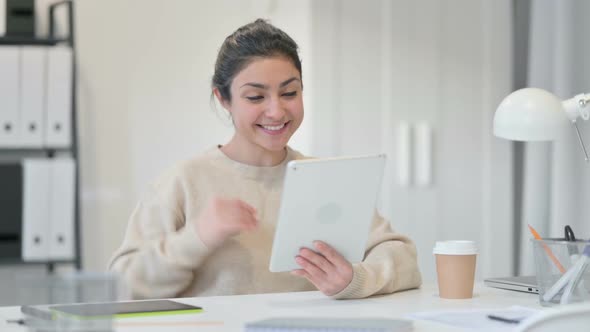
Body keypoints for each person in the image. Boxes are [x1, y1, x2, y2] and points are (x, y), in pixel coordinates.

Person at [109, 19, 422, 300]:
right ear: (224, 99)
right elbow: (123, 286)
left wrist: (357, 279)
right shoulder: (183, 183)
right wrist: (198, 237)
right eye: (256, 97)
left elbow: (403, 258)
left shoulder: (325, 179)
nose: (276, 111)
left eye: (289, 93)